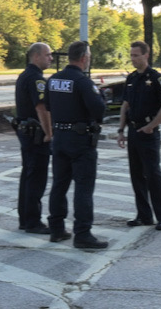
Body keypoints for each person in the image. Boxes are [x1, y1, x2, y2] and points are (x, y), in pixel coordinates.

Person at [45, 41, 108, 249]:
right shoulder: (82, 82)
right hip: (80, 140)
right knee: (83, 187)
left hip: (60, 137)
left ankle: (56, 229)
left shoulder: (53, 80)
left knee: (59, 185)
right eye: (88, 56)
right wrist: (102, 96)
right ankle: (82, 234)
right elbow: (99, 111)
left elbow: (48, 106)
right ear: (84, 58)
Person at [116, 41, 161, 231]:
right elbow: (125, 106)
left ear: (146, 55)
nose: (133, 59)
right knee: (136, 175)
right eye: (131, 55)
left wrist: (151, 126)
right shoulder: (132, 78)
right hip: (133, 131)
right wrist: (120, 131)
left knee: (153, 175)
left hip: (148, 133)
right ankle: (143, 215)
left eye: (136, 55)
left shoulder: (156, 79)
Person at [13, 42, 53, 234]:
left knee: (28, 177)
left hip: (26, 134)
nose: (51, 58)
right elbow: (41, 108)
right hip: (36, 136)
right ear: (36, 56)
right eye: (48, 55)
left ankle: (25, 218)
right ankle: (32, 221)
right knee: (36, 178)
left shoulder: (24, 76)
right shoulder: (37, 79)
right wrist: (49, 133)